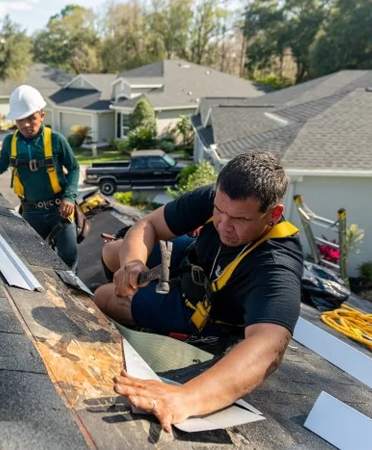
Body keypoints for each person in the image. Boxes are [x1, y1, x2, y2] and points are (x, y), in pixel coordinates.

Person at [93, 151, 303, 432]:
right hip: (192, 262)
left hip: (201, 309)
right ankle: (134, 286)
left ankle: (142, 310)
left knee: (103, 298)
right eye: (218, 211)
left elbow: (269, 348)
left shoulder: (276, 267)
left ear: (273, 215)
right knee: (112, 252)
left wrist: (184, 398)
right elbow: (149, 224)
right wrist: (133, 264)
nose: (223, 226)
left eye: (240, 220)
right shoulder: (223, 199)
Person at [0, 85, 80, 272]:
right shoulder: (11, 142)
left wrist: (70, 197)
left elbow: (74, 168)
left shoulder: (56, 140)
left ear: (42, 116)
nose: (26, 124)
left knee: (68, 258)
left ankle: (74, 295)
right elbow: (2, 162)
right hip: (31, 213)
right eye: (20, 119)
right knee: (34, 259)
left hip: (60, 210)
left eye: (31, 118)